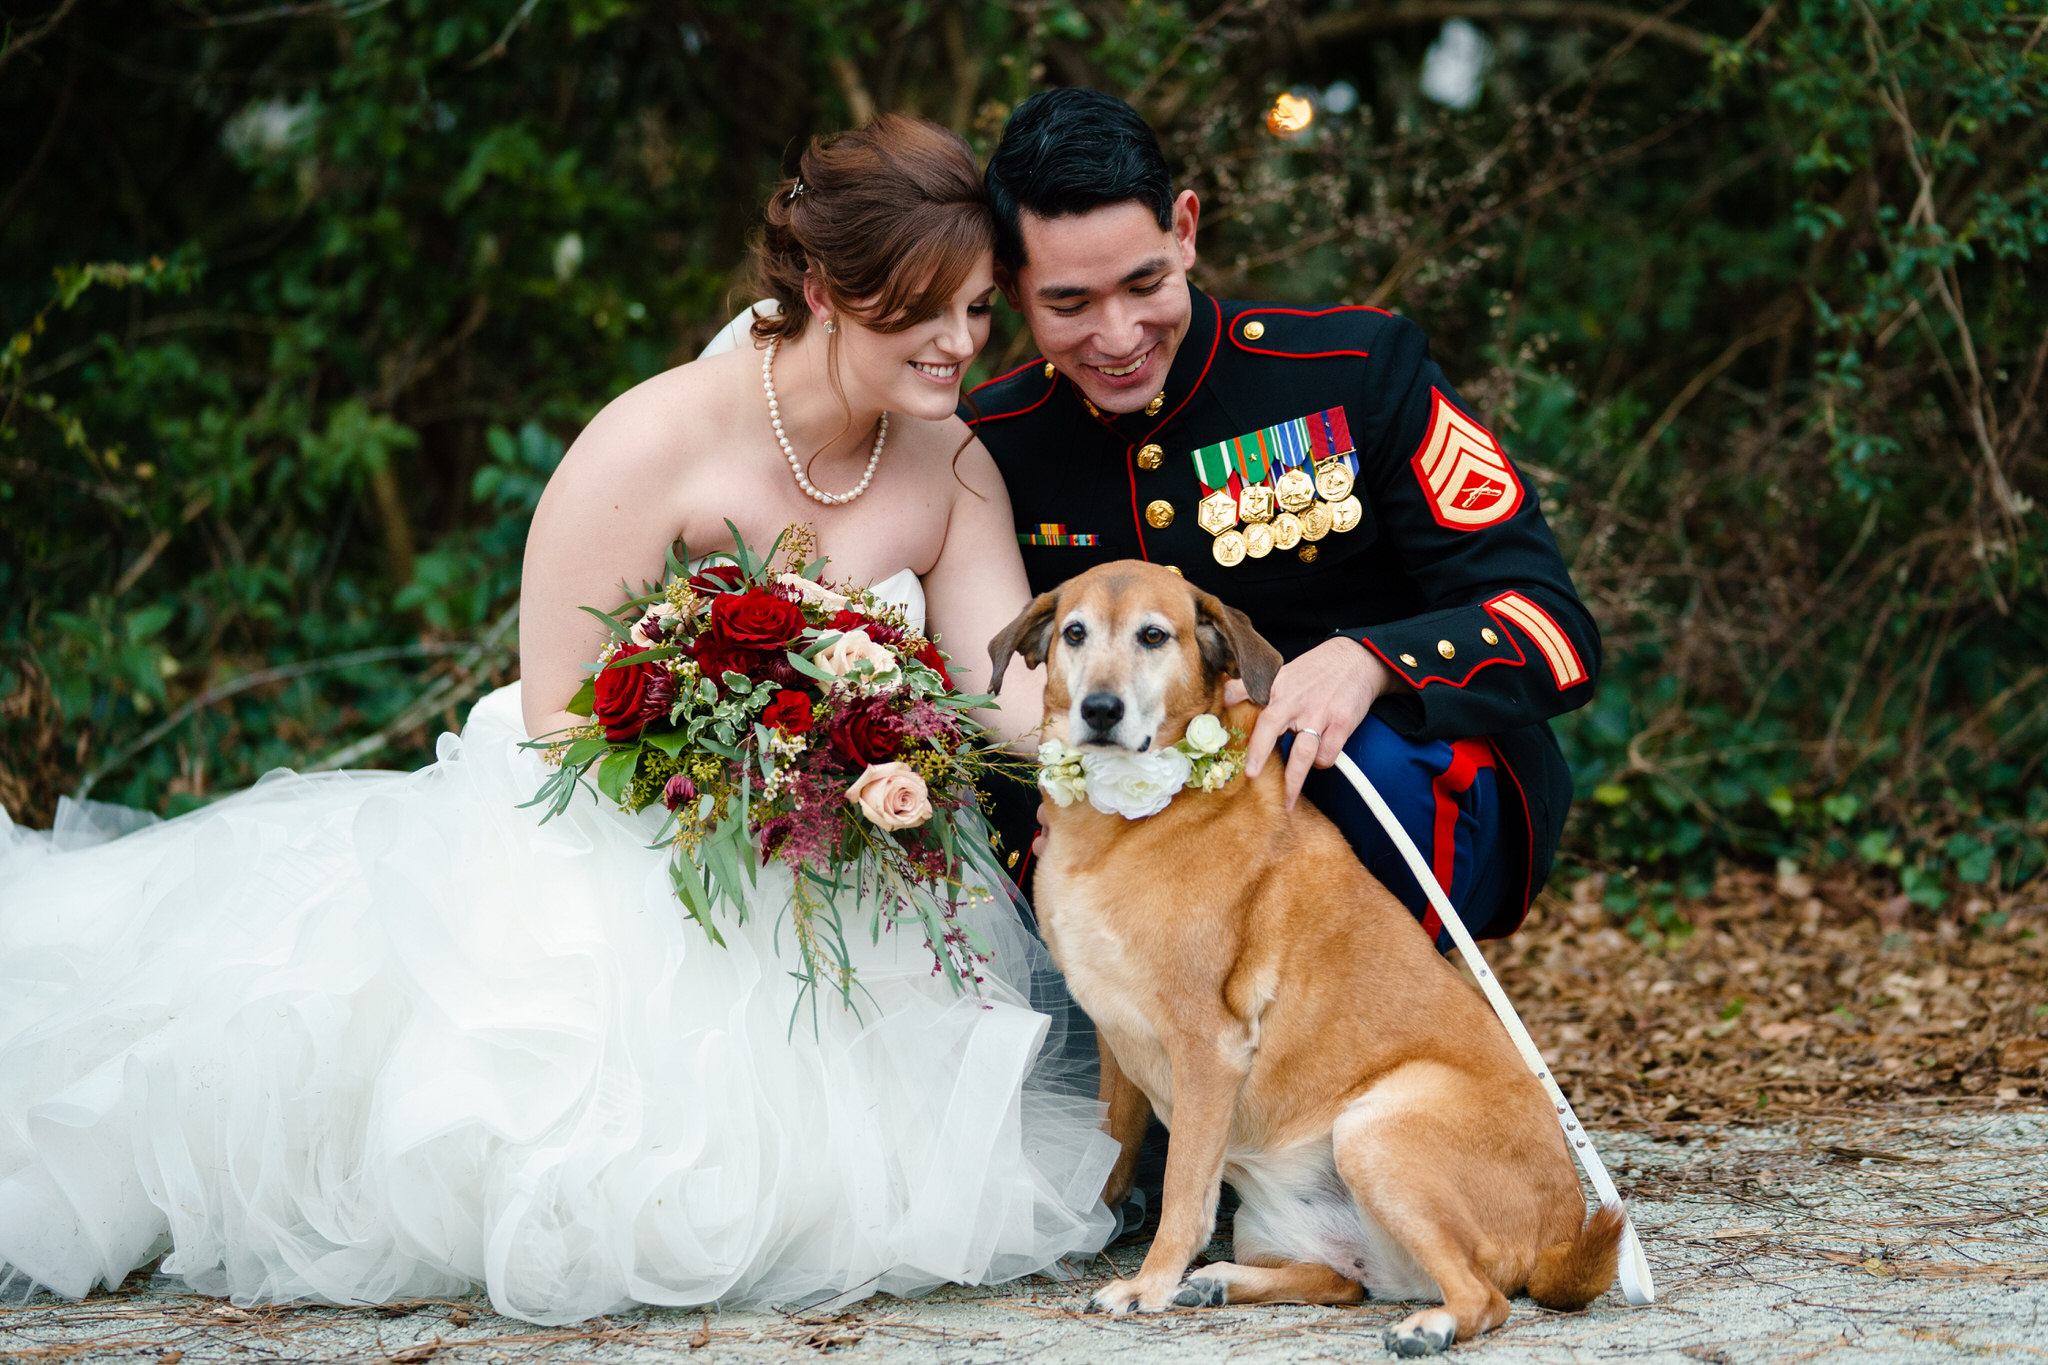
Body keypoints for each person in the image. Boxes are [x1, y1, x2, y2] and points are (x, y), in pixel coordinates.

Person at [0, 115, 1113, 1325]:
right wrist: (750, 757)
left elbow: (1001, 686)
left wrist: (1143, 737)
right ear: (823, 290)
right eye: (922, 312)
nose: (959, 346)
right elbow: (556, 707)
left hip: (840, 871)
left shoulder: (950, 465)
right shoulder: (656, 437)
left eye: (976, 313)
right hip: (614, 842)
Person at [968, 88, 1601, 953]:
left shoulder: (1354, 371)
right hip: (1130, 839)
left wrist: (1372, 660)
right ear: (1011, 288)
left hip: (1382, 795)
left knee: (1346, 755)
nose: (1118, 336)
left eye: (1146, 283)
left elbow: (1553, 625)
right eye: (1070, 304)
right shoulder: (991, 442)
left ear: (1185, 229)